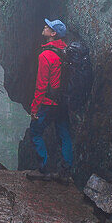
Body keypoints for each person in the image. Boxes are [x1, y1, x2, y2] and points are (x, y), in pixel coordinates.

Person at [29, 18, 74, 176]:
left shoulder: (46, 55)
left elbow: (41, 86)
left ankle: (43, 169)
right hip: (63, 102)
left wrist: (34, 108)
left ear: (53, 34)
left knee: (35, 132)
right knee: (64, 134)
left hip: (48, 103)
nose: (44, 27)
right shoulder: (66, 51)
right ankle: (65, 171)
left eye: (48, 27)